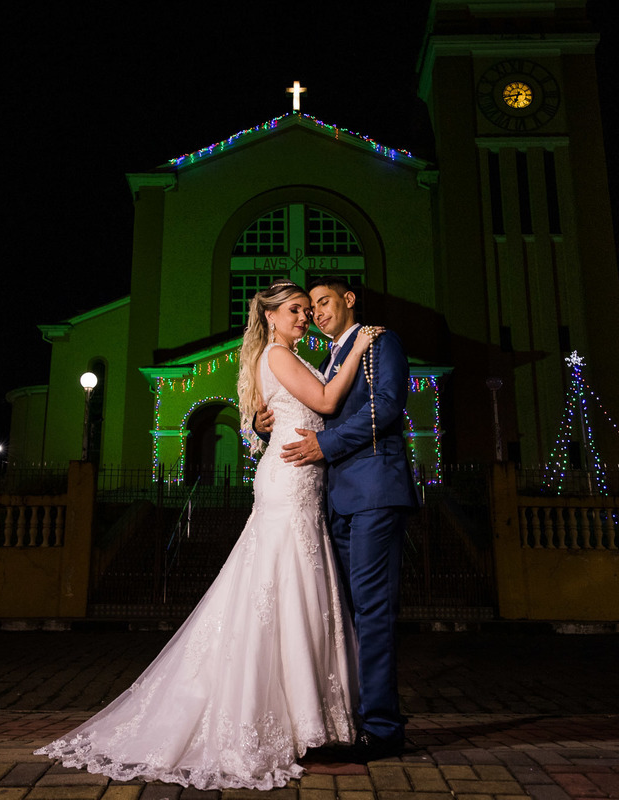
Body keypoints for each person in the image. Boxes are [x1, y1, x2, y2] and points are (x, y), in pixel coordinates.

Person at [34, 280, 383, 790]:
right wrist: (359, 346)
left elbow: (273, 417)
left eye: (306, 310)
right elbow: (328, 402)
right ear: (270, 316)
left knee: (288, 590)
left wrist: (262, 422)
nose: (303, 317)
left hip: (301, 483)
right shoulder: (278, 356)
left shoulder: (287, 358)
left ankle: (302, 721)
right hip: (289, 483)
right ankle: (291, 725)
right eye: (294, 310)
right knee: (282, 587)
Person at [259, 276, 419, 762]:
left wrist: (325, 444)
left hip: (374, 491)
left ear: (349, 300)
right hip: (333, 500)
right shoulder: (326, 358)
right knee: (343, 613)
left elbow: (386, 406)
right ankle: (346, 716)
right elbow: (309, 409)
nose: (316, 314)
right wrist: (260, 425)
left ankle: (382, 729)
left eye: (323, 302)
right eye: (309, 308)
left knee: (372, 610)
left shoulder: (379, 341)